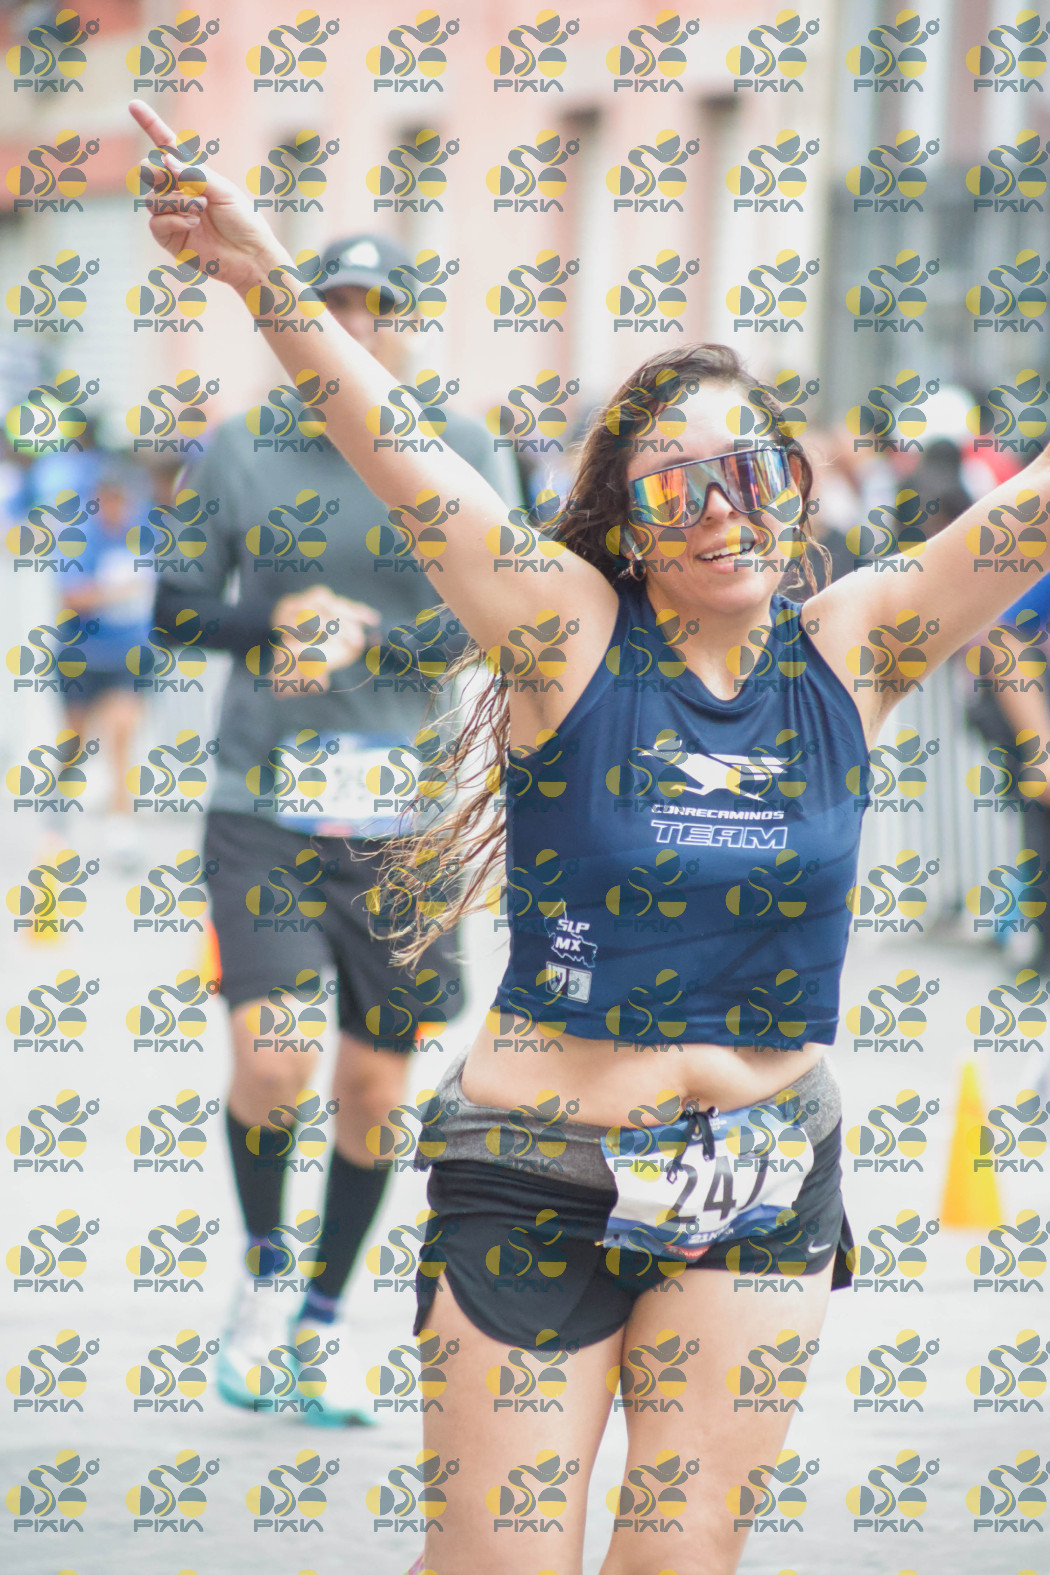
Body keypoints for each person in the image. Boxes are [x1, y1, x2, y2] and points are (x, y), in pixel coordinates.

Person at [130, 98, 1050, 1575]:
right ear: (627, 518)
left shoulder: (852, 646)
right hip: (537, 1173)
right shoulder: (564, 631)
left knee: (682, 1554)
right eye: (681, 487)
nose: (727, 513)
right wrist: (260, 274)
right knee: (500, 1559)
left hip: (760, 1178)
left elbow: (1028, 521)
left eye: (757, 475)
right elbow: (402, 455)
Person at [150, 226, 520, 1424]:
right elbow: (175, 609)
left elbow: (505, 611)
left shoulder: (459, 446)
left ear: (406, 323)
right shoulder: (241, 447)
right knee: (275, 1057)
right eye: (333, 303)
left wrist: (375, 642)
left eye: (376, 306)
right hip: (263, 801)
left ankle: (323, 1316)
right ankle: (264, 1281)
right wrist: (274, 625)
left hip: (404, 822)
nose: (354, 325)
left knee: (374, 1086)